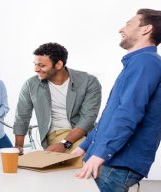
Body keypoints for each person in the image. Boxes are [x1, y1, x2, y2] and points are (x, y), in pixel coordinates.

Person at [73, 9, 161, 192]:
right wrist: (83, 148)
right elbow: (110, 117)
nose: (122, 28)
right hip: (109, 160)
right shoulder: (138, 62)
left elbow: (128, 113)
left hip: (115, 163)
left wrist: (100, 155)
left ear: (146, 29)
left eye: (129, 24)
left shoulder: (146, 63)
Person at [13, 42, 101, 154]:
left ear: (59, 64)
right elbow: (22, 117)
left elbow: (88, 118)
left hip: (87, 132)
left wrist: (65, 144)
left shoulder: (88, 82)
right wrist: (18, 148)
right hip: (57, 133)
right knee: (90, 156)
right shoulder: (31, 85)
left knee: (109, 154)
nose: (36, 69)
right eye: (35, 64)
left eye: (42, 65)